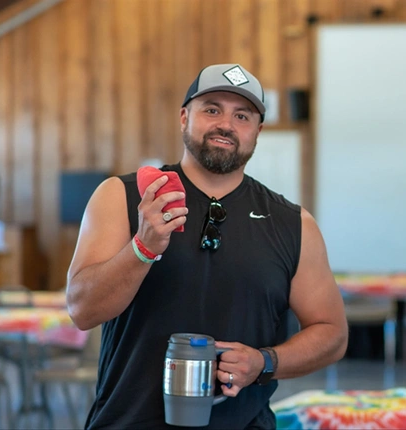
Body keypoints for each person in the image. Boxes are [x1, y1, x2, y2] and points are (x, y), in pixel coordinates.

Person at [66, 64, 348, 429]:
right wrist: (143, 247)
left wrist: (265, 362)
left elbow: (332, 334)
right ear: (184, 117)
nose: (226, 124)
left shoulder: (293, 223)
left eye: (242, 115)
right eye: (212, 109)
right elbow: (82, 311)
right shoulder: (123, 197)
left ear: (257, 132)